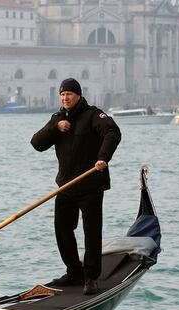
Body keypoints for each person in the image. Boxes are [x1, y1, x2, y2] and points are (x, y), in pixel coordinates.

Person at [31, 77, 121, 295]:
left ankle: (91, 277)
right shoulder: (57, 119)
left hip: (91, 184)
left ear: (78, 95)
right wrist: (55, 127)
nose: (65, 98)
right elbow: (36, 143)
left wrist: (103, 157)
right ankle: (74, 272)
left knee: (91, 232)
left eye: (69, 94)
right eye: (62, 95)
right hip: (66, 187)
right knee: (62, 229)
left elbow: (113, 133)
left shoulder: (93, 115)